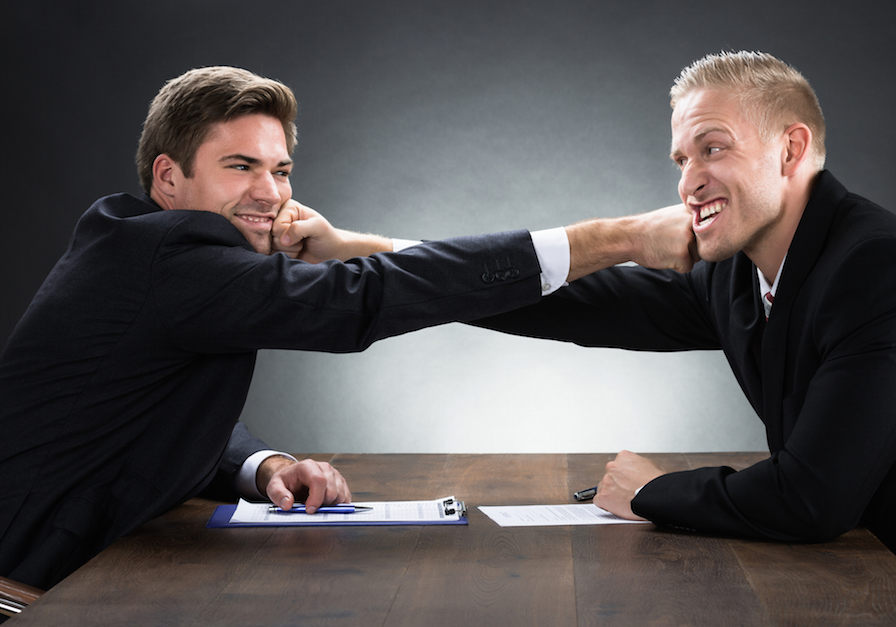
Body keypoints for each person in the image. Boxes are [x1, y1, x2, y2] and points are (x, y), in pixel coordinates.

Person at [0, 66, 695, 592]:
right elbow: (358, 301)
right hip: (27, 587)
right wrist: (617, 236)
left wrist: (264, 466)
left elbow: (142, 407)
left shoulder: (135, 245)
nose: (270, 193)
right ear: (168, 177)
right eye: (240, 167)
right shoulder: (174, 256)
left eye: (280, 170)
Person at [468, 51, 896, 625]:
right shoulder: (736, 272)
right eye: (681, 160)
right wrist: (416, 273)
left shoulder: (885, 271)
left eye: (713, 149)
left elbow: (809, 500)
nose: (687, 182)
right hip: (845, 579)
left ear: (790, 150)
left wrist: (651, 491)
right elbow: (588, 305)